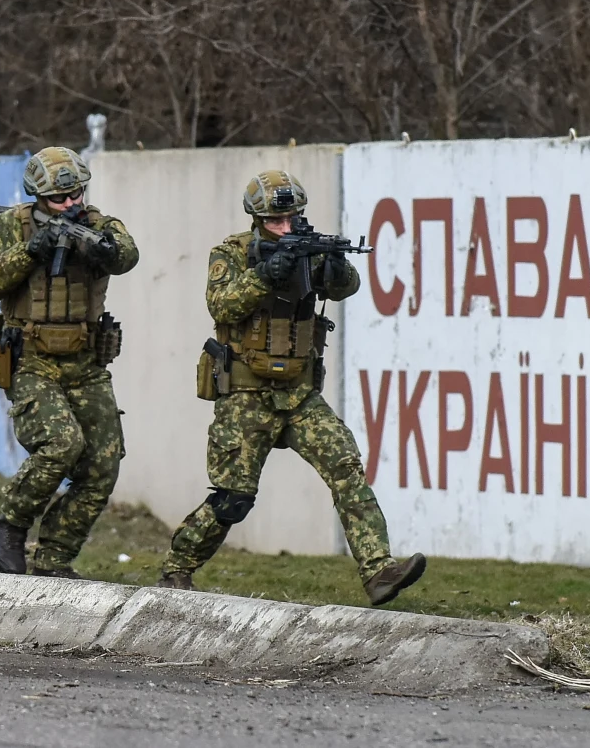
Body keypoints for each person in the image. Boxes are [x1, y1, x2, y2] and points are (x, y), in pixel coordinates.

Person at [156, 170, 426, 606]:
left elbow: (348, 285)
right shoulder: (232, 253)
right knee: (234, 498)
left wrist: (334, 270)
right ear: (258, 220)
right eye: (277, 221)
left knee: (346, 468)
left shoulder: (309, 249)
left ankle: (379, 570)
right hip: (246, 393)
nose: (286, 227)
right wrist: (264, 274)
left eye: (293, 218)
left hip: (299, 395)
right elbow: (220, 303)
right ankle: (177, 569)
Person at [0, 146, 139, 576]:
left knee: (104, 464)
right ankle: (9, 528)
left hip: (85, 363)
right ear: (38, 197)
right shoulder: (13, 224)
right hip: (32, 360)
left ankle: (55, 557)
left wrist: (98, 247)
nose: (70, 205)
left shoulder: (99, 223)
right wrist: (32, 250)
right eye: (59, 200)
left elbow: (127, 255)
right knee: (62, 445)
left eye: (76, 196)